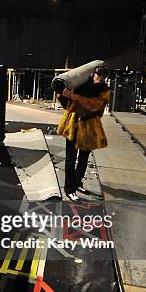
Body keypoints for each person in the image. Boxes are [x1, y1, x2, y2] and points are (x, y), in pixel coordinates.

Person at [57, 64, 110, 200]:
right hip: (73, 126)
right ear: (93, 74)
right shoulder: (81, 85)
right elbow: (65, 101)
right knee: (70, 158)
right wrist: (66, 95)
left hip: (89, 127)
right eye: (98, 74)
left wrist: (73, 97)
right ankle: (69, 189)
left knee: (83, 159)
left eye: (103, 75)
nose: (100, 77)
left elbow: (94, 106)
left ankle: (77, 182)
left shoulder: (104, 90)